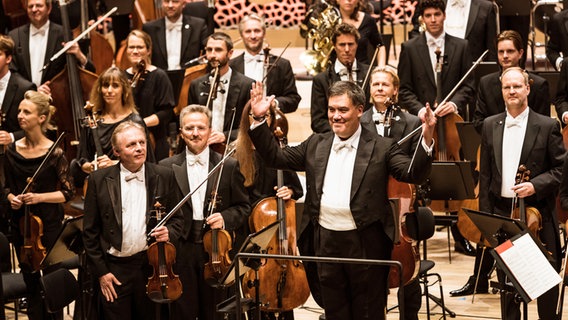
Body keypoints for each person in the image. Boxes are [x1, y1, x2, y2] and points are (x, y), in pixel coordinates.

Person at [248, 80, 435, 320]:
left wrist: (427, 138)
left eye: (342, 110)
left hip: (366, 243)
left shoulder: (382, 147)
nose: (335, 116)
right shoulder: (316, 143)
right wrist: (258, 119)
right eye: (331, 109)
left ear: (359, 110)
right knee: (334, 310)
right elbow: (275, 157)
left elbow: (413, 173)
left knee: (367, 312)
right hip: (325, 241)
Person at [477, 67, 563, 320]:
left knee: (545, 280)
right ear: (501, 91)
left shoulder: (547, 125)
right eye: (507, 87)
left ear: (527, 88)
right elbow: (486, 176)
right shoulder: (491, 125)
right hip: (503, 214)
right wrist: (486, 220)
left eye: (517, 86)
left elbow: (560, 170)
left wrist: (535, 185)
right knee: (507, 283)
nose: (512, 91)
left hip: (538, 214)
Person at [82, 120, 184, 320]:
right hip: (114, 269)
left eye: (142, 142)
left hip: (149, 267)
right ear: (116, 151)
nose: (139, 148)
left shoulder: (164, 175)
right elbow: (90, 232)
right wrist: (102, 273)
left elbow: (178, 220)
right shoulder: (98, 179)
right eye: (131, 145)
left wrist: (169, 233)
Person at [159, 105, 249, 320]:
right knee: (183, 311)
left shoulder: (228, 165)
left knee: (215, 312)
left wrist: (225, 218)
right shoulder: (165, 167)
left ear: (210, 131)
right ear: (181, 132)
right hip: (181, 249)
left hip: (216, 249)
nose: (195, 133)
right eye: (189, 128)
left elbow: (243, 207)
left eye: (201, 127)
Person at [4, 90, 75, 320]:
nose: (20, 115)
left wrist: (39, 197)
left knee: (51, 285)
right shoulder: (11, 151)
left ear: (41, 118)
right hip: (22, 227)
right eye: (20, 111)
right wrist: (11, 198)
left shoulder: (55, 152)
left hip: (50, 226)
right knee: (31, 286)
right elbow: (5, 186)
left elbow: (67, 193)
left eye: (27, 111)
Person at [360, 66, 422, 320]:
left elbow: (416, 165)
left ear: (395, 90)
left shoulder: (411, 122)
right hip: (368, 205)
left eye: (385, 85)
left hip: (403, 203)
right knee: (371, 273)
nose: (380, 89)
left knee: (408, 275)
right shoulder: (359, 121)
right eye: (375, 85)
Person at [234, 100, 304, 320]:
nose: (265, 121)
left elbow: (298, 189)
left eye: (268, 118)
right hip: (250, 231)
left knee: (284, 293)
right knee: (254, 294)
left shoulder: (280, 151)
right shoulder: (236, 153)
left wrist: (289, 191)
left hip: (278, 236)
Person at [72, 66, 155, 186]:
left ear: (124, 90)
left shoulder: (136, 122)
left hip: (130, 183)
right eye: (106, 85)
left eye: (115, 85)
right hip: (100, 185)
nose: (109, 90)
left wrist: (114, 164)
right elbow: (82, 161)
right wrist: (93, 166)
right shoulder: (91, 121)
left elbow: (147, 161)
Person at [398, 0, 474, 119]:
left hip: (453, 118)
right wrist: (421, 110)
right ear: (422, 19)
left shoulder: (462, 46)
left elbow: (469, 86)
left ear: (444, 15)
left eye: (437, 14)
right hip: (421, 121)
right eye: (428, 16)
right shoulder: (409, 48)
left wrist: (454, 104)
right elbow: (404, 90)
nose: (433, 20)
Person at [472, 30, 550, 134]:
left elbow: (544, 124)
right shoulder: (485, 83)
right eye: (501, 51)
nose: (504, 56)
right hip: (496, 144)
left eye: (510, 51)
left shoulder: (538, 84)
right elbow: (478, 122)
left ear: (520, 53)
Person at [8, 0, 93, 92]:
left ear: (49, 8)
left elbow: (86, 71)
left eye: (39, 6)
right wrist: (32, 89)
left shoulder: (64, 34)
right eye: (30, 6)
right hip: (25, 98)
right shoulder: (15, 36)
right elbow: (12, 71)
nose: (34, 9)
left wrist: (80, 55)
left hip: (55, 97)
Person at [188, 32, 254, 145]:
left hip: (234, 148)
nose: (212, 55)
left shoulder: (246, 85)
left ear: (230, 53)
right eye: (209, 50)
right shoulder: (196, 85)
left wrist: (225, 136)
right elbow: (189, 120)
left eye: (218, 50)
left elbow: (252, 125)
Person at [230, 13, 301, 114]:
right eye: (248, 31)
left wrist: (274, 103)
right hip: (240, 125)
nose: (253, 36)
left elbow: (293, 99)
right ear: (241, 35)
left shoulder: (282, 64)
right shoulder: (232, 66)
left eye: (257, 31)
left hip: (272, 125)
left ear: (264, 33)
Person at [124, 30, 176, 161]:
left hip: (155, 140)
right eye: (131, 47)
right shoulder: (122, 77)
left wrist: (140, 123)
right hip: (126, 139)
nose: (135, 51)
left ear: (148, 50)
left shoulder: (159, 76)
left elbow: (167, 112)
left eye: (140, 47)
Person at [311, 23, 371, 133]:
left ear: (357, 45)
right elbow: (318, 122)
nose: (347, 49)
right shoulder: (321, 80)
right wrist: (345, 131)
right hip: (336, 139)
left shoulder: (371, 73)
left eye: (351, 44)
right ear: (334, 46)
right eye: (342, 45)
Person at [0, 35, 36, 181]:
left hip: (14, 159)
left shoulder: (25, 87)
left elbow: (36, 128)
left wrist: (12, 137)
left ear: (8, 58)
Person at [142, 0, 208, 71]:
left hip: (188, 77)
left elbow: (206, 54)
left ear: (184, 4)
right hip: (160, 79)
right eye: (167, 1)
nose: (170, 5)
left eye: (175, 1)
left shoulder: (198, 26)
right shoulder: (149, 28)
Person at [331, 0, 385, 65]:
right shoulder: (329, 21)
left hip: (362, 71)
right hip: (334, 71)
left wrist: (381, 68)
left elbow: (380, 46)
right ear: (337, 1)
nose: (349, 0)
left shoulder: (368, 20)